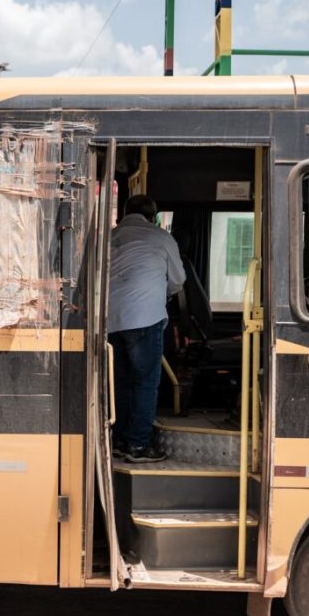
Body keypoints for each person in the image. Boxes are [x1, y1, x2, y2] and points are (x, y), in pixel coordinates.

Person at [108, 194, 185, 463]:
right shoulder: (161, 238)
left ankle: (118, 439)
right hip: (145, 319)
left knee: (119, 382)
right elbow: (177, 280)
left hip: (111, 321)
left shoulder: (110, 237)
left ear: (124, 213)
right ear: (153, 216)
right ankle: (138, 445)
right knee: (145, 383)